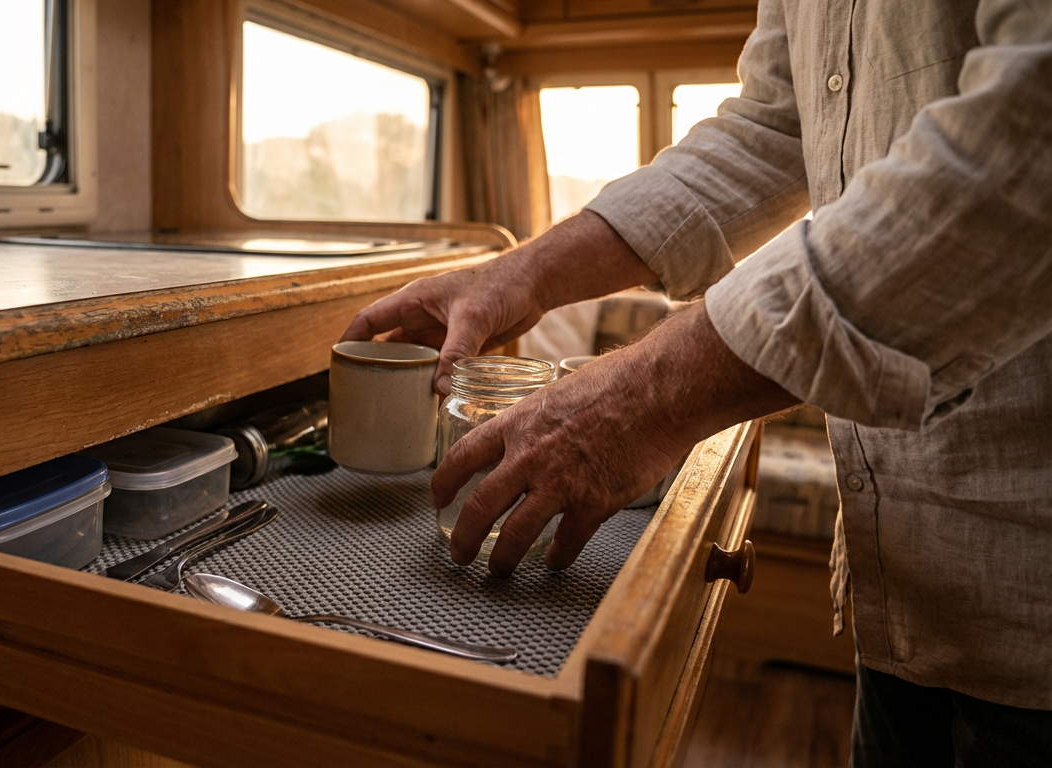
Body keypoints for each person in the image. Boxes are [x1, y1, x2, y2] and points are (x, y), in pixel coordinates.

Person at [340, 0, 1052, 763]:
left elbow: (1026, 145)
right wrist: (513, 275)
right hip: (907, 583)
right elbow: (768, 130)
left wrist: (646, 397)